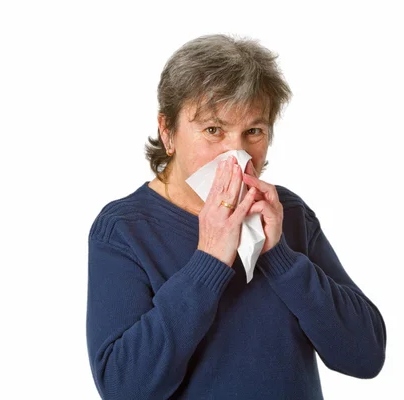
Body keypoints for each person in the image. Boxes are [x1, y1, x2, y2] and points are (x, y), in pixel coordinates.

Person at [86, 34, 386, 400]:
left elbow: (365, 357)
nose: (236, 153)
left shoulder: (288, 214)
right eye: (213, 130)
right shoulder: (124, 230)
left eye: (253, 131)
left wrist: (281, 257)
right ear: (168, 131)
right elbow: (124, 389)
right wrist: (209, 260)